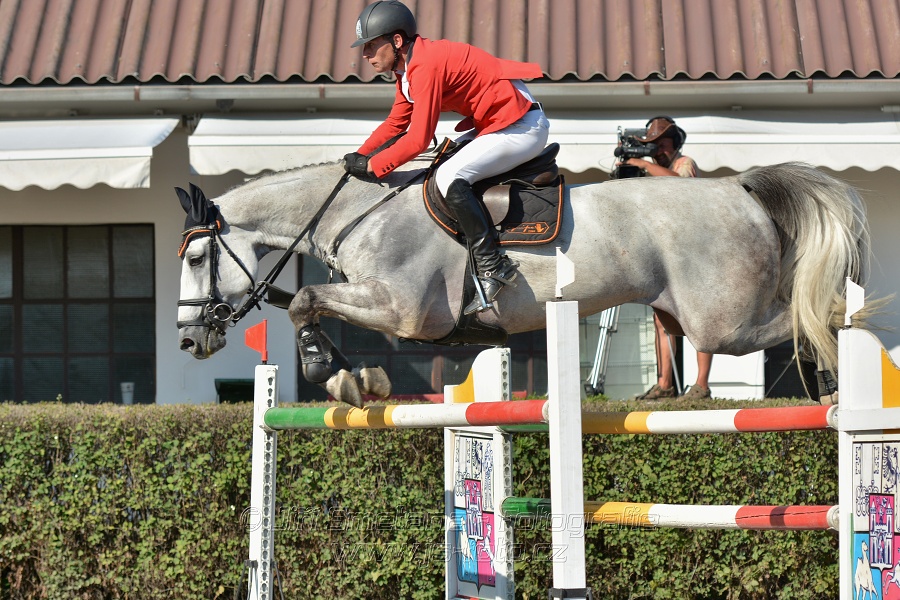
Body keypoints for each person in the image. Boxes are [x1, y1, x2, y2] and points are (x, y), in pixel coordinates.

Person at [344, 0, 550, 315]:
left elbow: (419, 138)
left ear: (397, 41)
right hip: (500, 123)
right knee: (438, 166)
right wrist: (360, 155)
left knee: (449, 177)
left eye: (371, 45)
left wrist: (374, 166)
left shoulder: (424, 65)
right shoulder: (408, 70)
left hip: (521, 125)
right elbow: (396, 123)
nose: (365, 54)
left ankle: (493, 265)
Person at [623, 116, 714, 401]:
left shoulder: (682, 163)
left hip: (695, 251)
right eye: (653, 147)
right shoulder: (657, 170)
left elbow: (683, 188)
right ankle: (664, 384)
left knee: (700, 318)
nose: (658, 151)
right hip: (671, 254)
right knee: (662, 318)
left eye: (662, 145)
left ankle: (701, 385)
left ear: (675, 144)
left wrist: (645, 166)